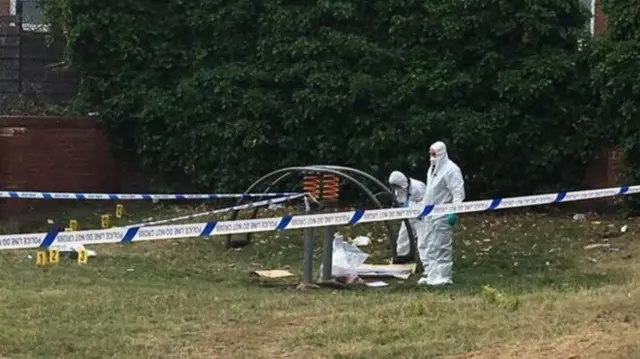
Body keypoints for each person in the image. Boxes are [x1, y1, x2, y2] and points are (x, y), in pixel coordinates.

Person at [418, 141, 465, 286]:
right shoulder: (431, 169)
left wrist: (454, 212)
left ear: (441, 153)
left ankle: (444, 277)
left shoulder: (451, 170)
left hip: (443, 214)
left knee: (442, 246)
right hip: (429, 214)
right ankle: (432, 276)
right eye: (430, 154)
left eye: (434, 154)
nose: (431, 157)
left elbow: (458, 192)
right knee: (429, 245)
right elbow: (429, 191)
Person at [388, 171, 426, 264]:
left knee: (423, 240)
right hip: (408, 216)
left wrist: (412, 206)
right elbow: (399, 201)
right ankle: (401, 258)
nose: (394, 188)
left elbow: (426, 201)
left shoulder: (418, 186)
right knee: (403, 237)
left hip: (421, 218)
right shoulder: (398, 190)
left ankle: (425, 262)